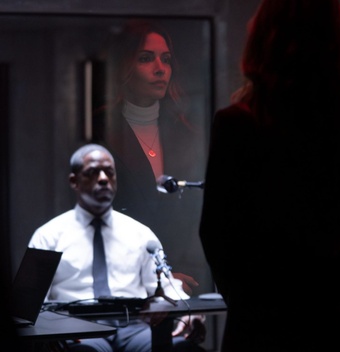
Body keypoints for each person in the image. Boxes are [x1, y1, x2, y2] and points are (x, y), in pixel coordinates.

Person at [199, 0, 340, 352]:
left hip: (262, 318)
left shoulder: (238, 123)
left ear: (263, 35)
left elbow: (218, 233)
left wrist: (248, 298)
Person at [28, 143, 206, 351]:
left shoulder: (140, 234)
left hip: (134, 329)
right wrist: (55, 331)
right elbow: (32, 304)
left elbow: (166, 287)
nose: (103, 179)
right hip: (77, 331)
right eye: (93, 172)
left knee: (183, 349)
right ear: (74, 181)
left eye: (109, 172)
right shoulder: (48, 237)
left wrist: (189, 311)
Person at [96, 19, 209, 295]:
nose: (160, 69)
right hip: (122, 288)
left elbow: (197, 216)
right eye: (146, 58)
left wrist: (177, 277)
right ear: (123, 66)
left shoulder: (188, 133)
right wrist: (152, 275)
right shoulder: (99, 130)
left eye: (166, 60)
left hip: (187, 285)